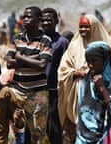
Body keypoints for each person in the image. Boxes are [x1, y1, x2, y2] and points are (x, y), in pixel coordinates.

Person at [57, 14, 111, 143]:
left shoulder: (107, 47)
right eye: (81, 27)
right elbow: (63, 70)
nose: (83, 30)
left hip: (101, 95)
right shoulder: (74, 46)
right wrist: (77, 73)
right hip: (77, 96)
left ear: (94, 27)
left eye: (86, 27)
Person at [6, 6, 52, 143]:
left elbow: (42, 65)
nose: (25, 20)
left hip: (38, 94)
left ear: (38, 20)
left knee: (38, 133)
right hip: (17, 91)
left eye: (29, 17)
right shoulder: (16, 38)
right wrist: (33, 60)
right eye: (24, 17)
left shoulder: (45, 40)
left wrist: (20, 58)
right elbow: (9, 63)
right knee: (12, 128)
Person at [75, 41, 111, 144]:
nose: (90, 65)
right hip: (84, 138)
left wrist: (103, 89)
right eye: (88, 61)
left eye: (94, 60)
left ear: (106, 60)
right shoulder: (86, 81)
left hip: (109, 137)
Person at [41, 7, 70, 144]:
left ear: (56, 21)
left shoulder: (62, 42)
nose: (46, 23)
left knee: (54, 127)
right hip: (36, 90)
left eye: (49, 20)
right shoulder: (37, 40)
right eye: (43, 20)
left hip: (53, 91)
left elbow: (66, 67)